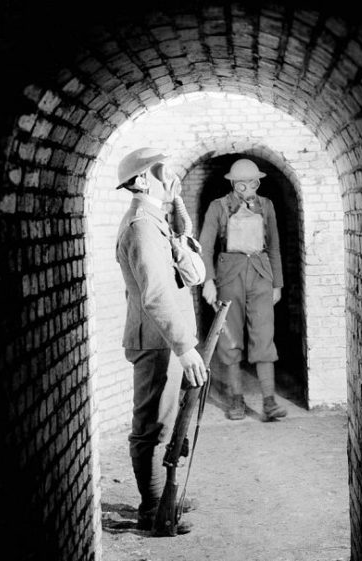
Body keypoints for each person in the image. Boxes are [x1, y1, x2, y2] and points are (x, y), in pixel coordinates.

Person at [115, 147, 207, 534]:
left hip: (164, 338)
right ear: (139, 181)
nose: (170, 178)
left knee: (166, 424)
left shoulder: (157, 219)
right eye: (160, 172)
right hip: (157, 341)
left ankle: (159, 497)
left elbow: (194, 274)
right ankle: (152, 508)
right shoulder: (141, 224)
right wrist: (184, 347)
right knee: (151, 427)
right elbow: (155, 293)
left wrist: (178, 214)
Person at [198, 158, 287, 422]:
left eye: (252, 182)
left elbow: (274, 247)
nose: (247, 187)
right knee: (230, 338)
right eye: (241, 183)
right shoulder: (218, 207)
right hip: (229, 275)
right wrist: (209, 281)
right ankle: (236, 399)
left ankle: (269, 401)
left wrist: (277, 283)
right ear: (233, 183)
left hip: (261, 274)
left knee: (264, 336)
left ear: (258, 182)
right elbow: (206, 246)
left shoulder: (266, 206)